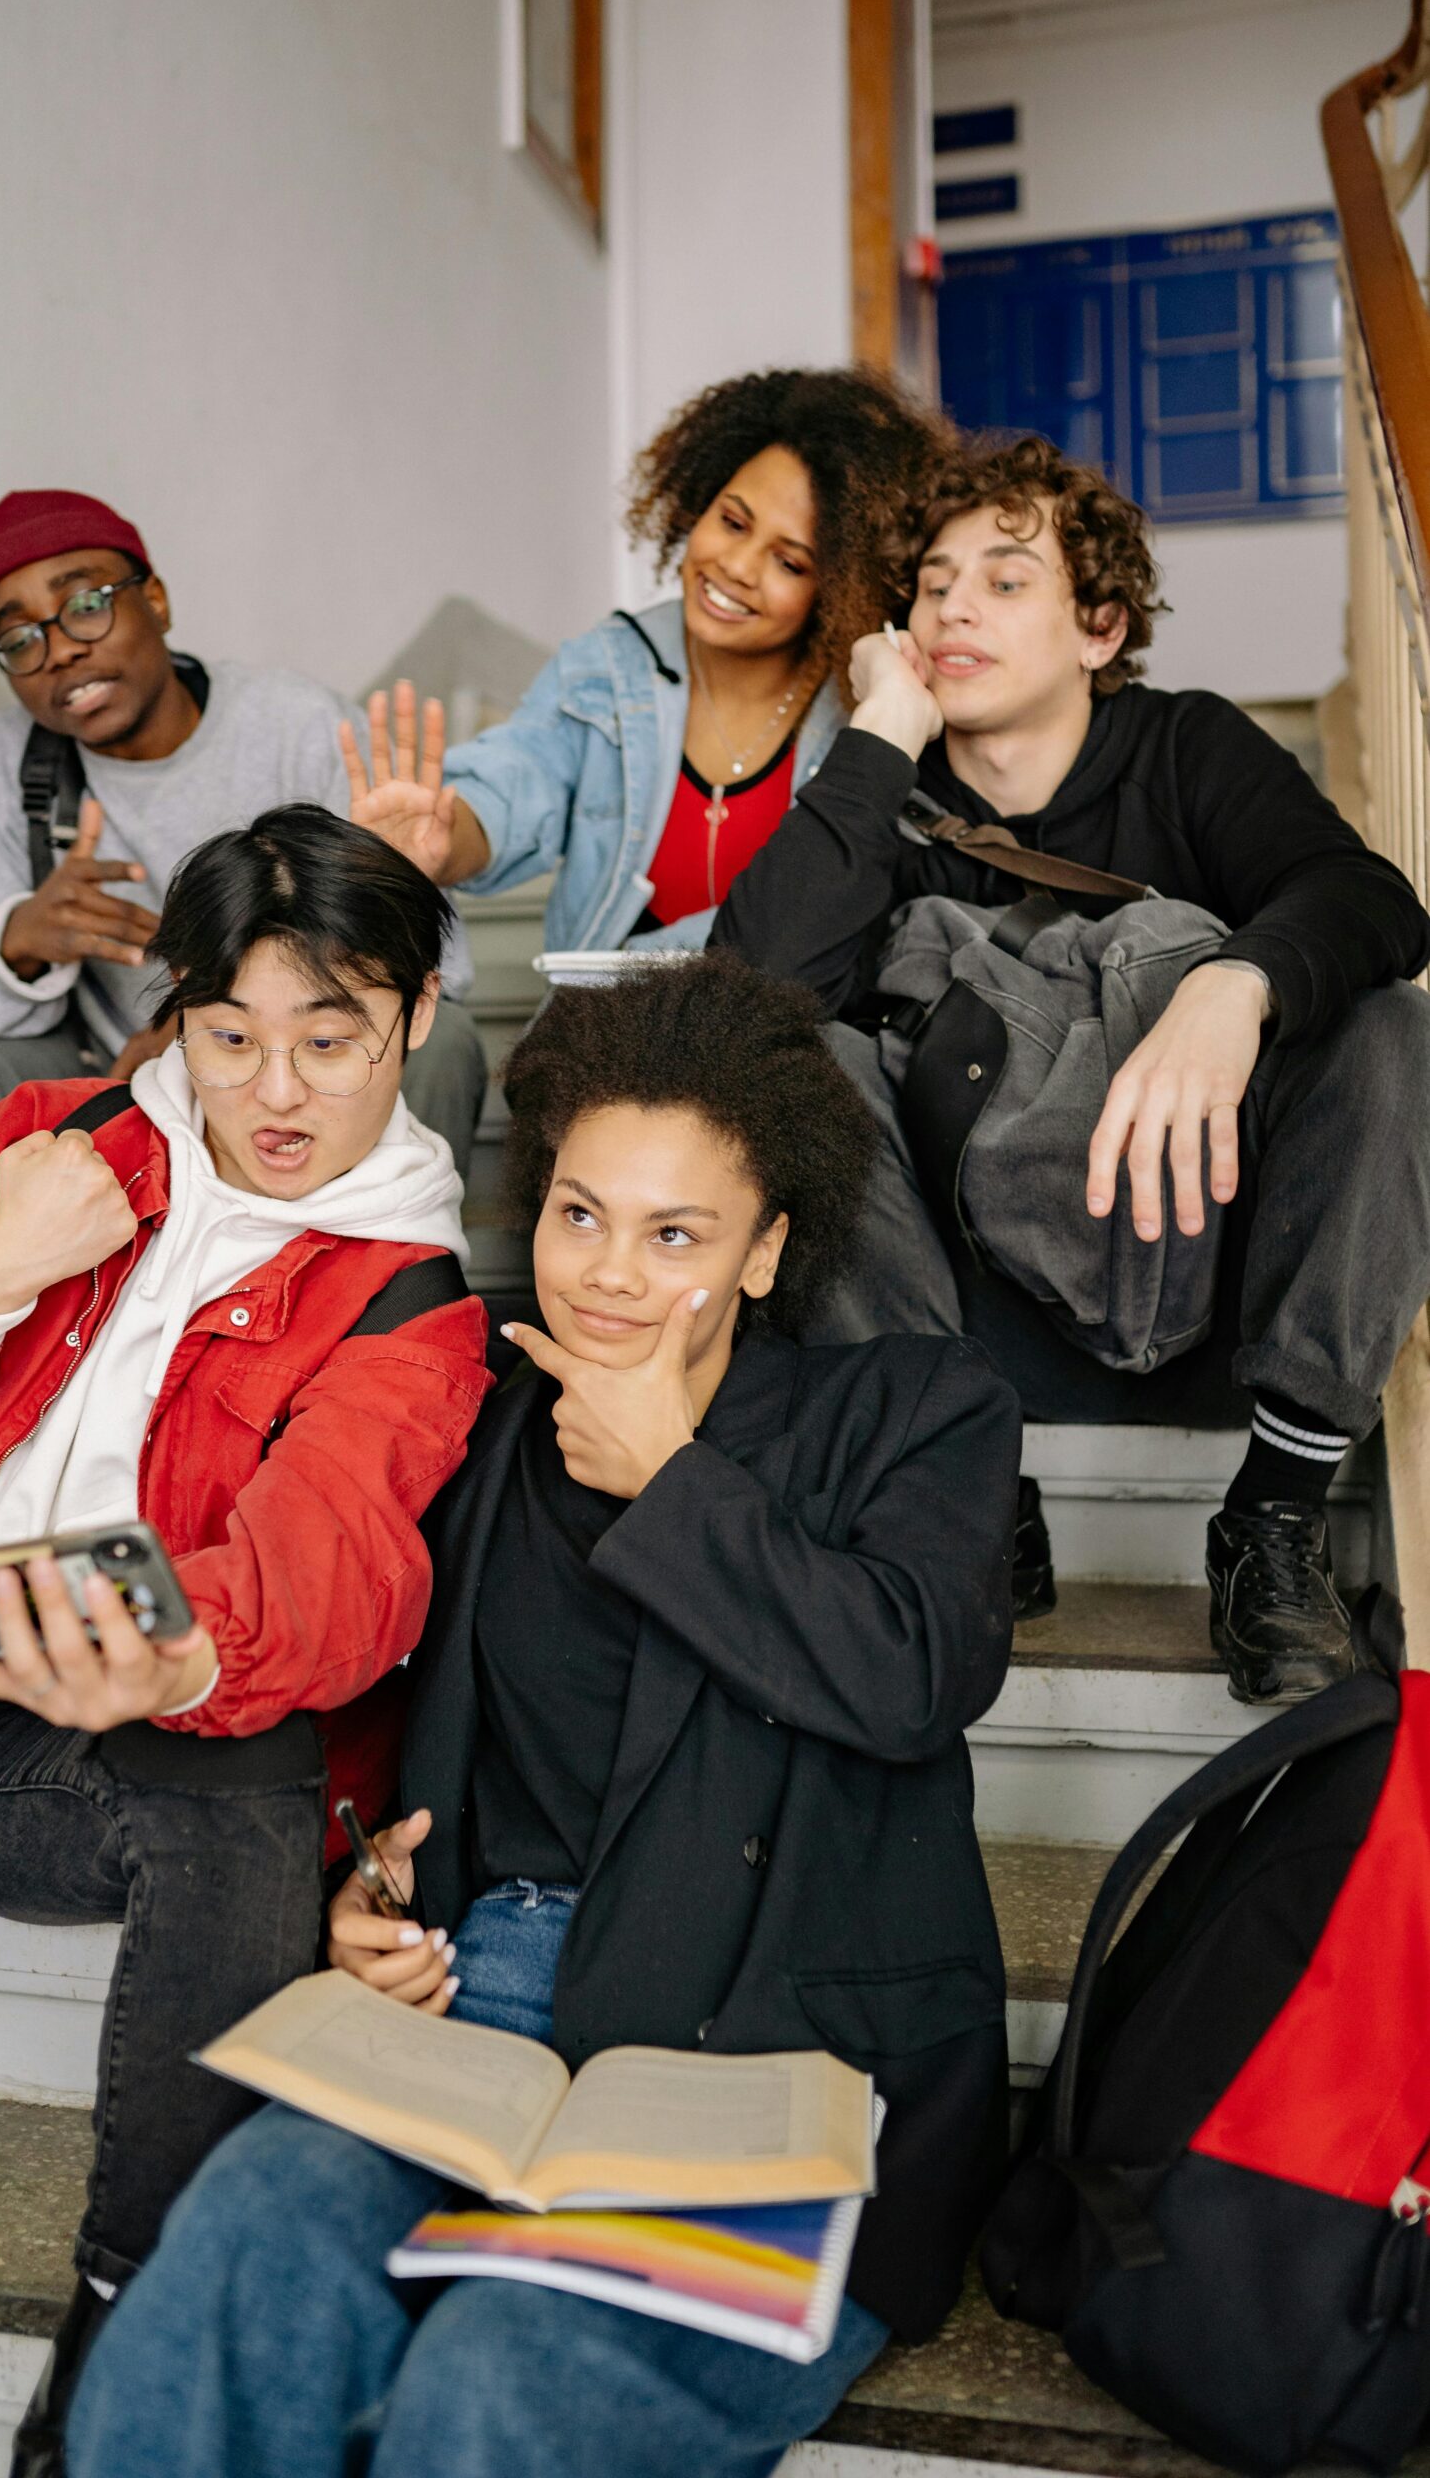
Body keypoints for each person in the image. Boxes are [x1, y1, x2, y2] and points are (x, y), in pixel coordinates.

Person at [67, 952, 1021, 2478]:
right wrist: (363, 1891)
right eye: (579, 1214)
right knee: (238, 2252)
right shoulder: (488, 1423)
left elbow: (908, 1675)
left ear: (766, 1254)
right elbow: (380, 1691)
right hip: (479, 2003)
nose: (608, 1273)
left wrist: (674, 1484)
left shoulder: (911, 1413)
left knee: (502, 2381)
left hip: (766, 2040)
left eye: (674, 1234)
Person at [0, 805, 492, 2475]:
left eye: (328, 1037)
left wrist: (180, 1658)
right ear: (181, 1017)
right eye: (230, 1037)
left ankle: (120, 2368)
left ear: (418, 1020)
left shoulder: (404, 1299)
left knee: (243, 1794)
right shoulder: (40, 1145)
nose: (275, 1093)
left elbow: (342, 1567)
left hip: (66, 1755)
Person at [714, 430, 1430, 1704]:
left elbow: (1368, 900)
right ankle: (968, 1476)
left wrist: (1236, 983)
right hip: (976, 1300)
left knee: (1391, 1028)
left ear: (1099, 628)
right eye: (931, 584)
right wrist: (880, 730)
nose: (954, 609)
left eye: (1004, 578)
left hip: (1208, 1267)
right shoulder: (894, 791)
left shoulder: (1184, 749)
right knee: (794, 1060)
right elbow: (751, 990)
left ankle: (1272, 1520)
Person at [0, 488, 488, 1172]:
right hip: (107, 1068)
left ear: (155, 600)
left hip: (293, 1057)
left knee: (441, 1040)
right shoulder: (3, 763)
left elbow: (441, 970)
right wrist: (20, 941)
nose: (57, 650)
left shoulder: (294, 726)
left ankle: (399, 1267)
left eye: (85, 605)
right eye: (19, 637)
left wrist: (201, 1035)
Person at [345, 367, 945, 952]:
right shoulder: (607, 668)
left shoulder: (858, 716)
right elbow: (515, 784)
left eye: (789, 562)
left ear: (840, 590)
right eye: (732, 522)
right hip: (598, 1041)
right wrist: (444, 843)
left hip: (779, 1044)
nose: (737, 566)